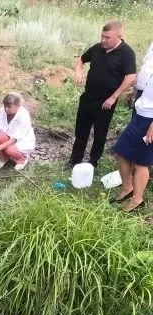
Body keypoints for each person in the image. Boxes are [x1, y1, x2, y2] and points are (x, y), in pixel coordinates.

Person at [68, 20, 136, 168]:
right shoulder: (98, 48)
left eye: (107, 37)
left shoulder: (126, 53)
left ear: (119, 35)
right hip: (87, 97)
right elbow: (80, 59)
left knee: (100, 134)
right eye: (102, 36)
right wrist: (78, 72)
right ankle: (74, 160)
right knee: (81, 130)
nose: (103, 40)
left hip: (106, 101)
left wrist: (113, 97)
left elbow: (130, 77)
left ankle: (93, 163)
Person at [111, 58, 153, 213]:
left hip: (150, 120)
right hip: (142, 114)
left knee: (141, 161)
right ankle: (127, 187)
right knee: (121, 151)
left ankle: (137, 199)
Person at [127, 41, 153, 116]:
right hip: (142, 88)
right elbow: (147, 64)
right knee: (136, 115)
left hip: (150, 94)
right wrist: (135, 86)